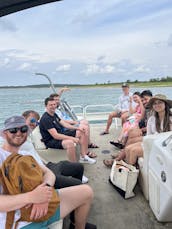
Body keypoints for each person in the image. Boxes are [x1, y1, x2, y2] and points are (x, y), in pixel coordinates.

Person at [0, 115, 94, 229]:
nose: (19, 133)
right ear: (5, 134)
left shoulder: (26, 155)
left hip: (45, 206)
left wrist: (45, 191)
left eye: (23, 129)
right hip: (19, 221)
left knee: (86, 192)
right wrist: (31, 197)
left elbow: (48, 173)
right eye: (13, 130)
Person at [22, 110, 88, 185]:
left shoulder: (28, 137)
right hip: (40, 172)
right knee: (78, 184)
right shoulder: (20, 141)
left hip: (46, 166)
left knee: (79, 167)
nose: (34, 123)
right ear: (23, 119)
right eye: (32, 120)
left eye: (36, 122)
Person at [104, 94, 172, 167]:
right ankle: (123, 167)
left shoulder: (170, 119)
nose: (157, 105)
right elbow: (149, 136)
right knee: (128, 148)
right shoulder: (152, 119)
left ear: (165, 104)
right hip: (152, 143)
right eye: (155, 103)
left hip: (164, 147)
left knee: (133, 151)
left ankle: (124, 169)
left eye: (160, 102)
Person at [103, 90, 153, 167]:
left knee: (132, 136)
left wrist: (142, 129)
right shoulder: (148, 109)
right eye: (143, 100)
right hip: (149, 133)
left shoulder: (154, 112)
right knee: (131, 133)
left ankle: (117, 160)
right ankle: (121, 156)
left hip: (152, 137)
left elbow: (152, 126)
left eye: (146, 99)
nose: (144, 102)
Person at [39, 97, 96, 164]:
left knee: (82, 131)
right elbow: (55, 136)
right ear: (46, 106)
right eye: (50, 105)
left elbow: (65, 124)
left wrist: (78, 128)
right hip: (51, 141)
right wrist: (72, 138)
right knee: (69, 143)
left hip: (61, 134)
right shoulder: (46, 119)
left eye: (54, 104)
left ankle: (83, 156)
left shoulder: (54, 114)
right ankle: (74, 166)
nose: (53, 106)